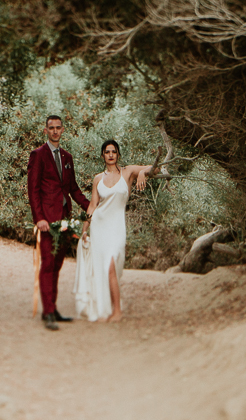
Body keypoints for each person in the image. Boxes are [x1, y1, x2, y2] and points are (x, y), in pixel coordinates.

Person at [73, 139, 153, 323]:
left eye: (114, 152)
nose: (110, 155)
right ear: (102, 155)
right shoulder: (98, 179)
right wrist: (84, 230)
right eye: (107, 152)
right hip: (99, 227)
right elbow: (93, 205)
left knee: (112, 266)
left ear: (118, 154)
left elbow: (153, 168)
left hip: (117, 228)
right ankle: (111, 309)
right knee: (103, 268)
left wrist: (142, 173)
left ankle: (116, 310)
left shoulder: (128, 172)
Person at [27, 115, 90, 331]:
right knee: (47, 264)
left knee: (58, 265)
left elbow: (73, 189)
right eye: (51, 128)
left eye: (58, 128)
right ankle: (48, 312)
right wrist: (40, 219)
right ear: (46, 130)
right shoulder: (38, 155)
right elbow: (33, 190)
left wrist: (91, 207)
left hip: (65, 220)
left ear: (63, 130)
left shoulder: (67, 157)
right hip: (47, 222)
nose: (55, 131)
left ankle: (52, 309)